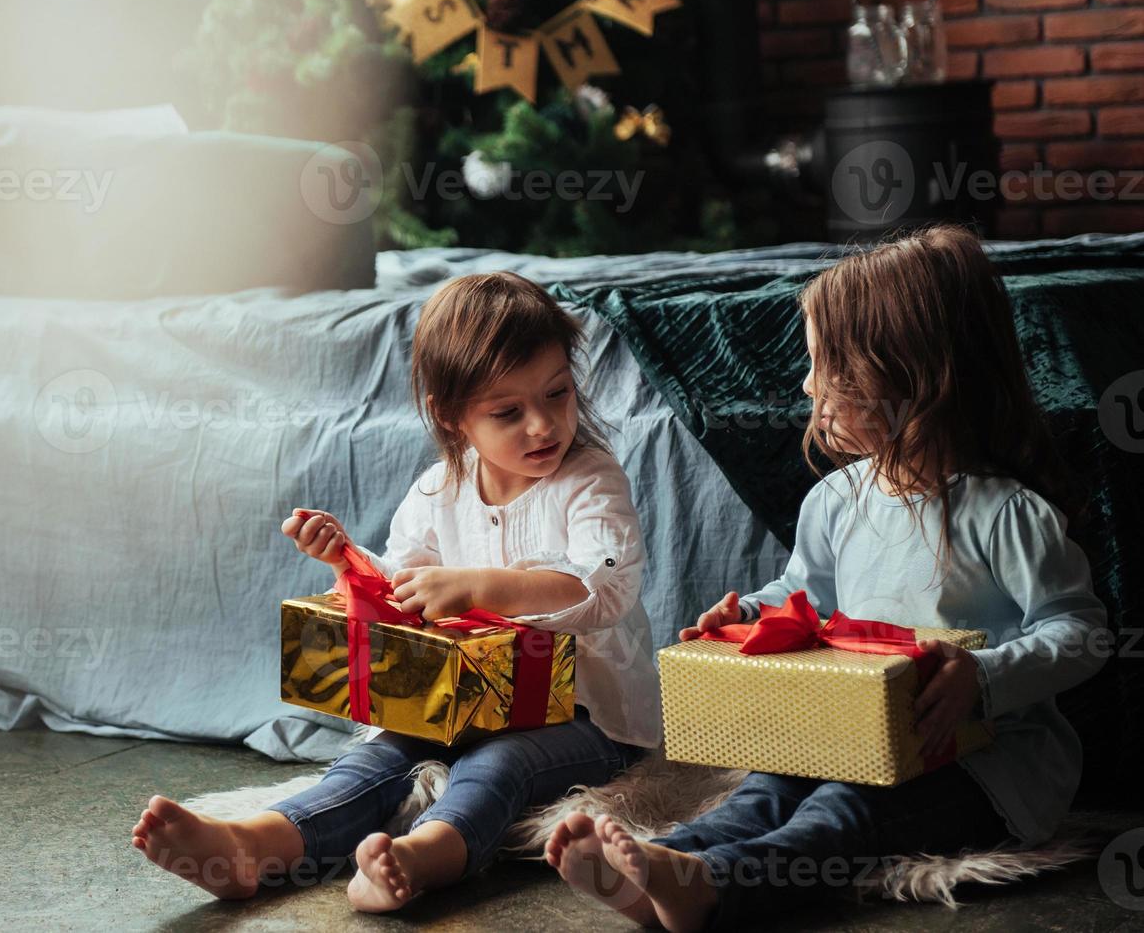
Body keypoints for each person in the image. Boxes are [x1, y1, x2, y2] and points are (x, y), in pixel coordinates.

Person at [546, 224, 1109, 930]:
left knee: (843, 814)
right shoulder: (836, 501)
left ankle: (716, 886)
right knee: (767, 788)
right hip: (849, 735)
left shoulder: (1005, 514)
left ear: (908, 375)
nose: (807, 383)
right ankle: (663, 866)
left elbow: (1081, 632)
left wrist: (984, 676)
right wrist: (750, 613)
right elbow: (804, 597)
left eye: (825, 366)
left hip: (984, 768)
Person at [130, 271, 662, 911]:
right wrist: (346, 563)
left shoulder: (590, 480)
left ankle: (424, 854)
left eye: (558, 393)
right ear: (450, 415)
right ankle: (252, 845)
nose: (544, 425)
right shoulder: (438, 491)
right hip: (463, 701)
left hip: (587, 713)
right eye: (508, 412)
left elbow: (604, 588)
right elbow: (399, 595)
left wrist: (478, 586)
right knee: (381, 758)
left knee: (501, 763)